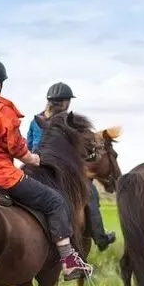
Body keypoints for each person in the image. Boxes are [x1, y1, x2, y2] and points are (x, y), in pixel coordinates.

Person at [0, 57, 94, 280]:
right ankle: (69, 261)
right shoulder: (3, 111)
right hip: (2, 178)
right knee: (54, 201)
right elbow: (17, 147)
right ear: (0, 84)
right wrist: (34, 159)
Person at [26, 82, 116, 252]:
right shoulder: (68, 121)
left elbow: (29, 144)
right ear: (65, 102)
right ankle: (100, 236)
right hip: (61, 171)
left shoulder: (35, 120)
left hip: (35, 167)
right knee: (91, 194)